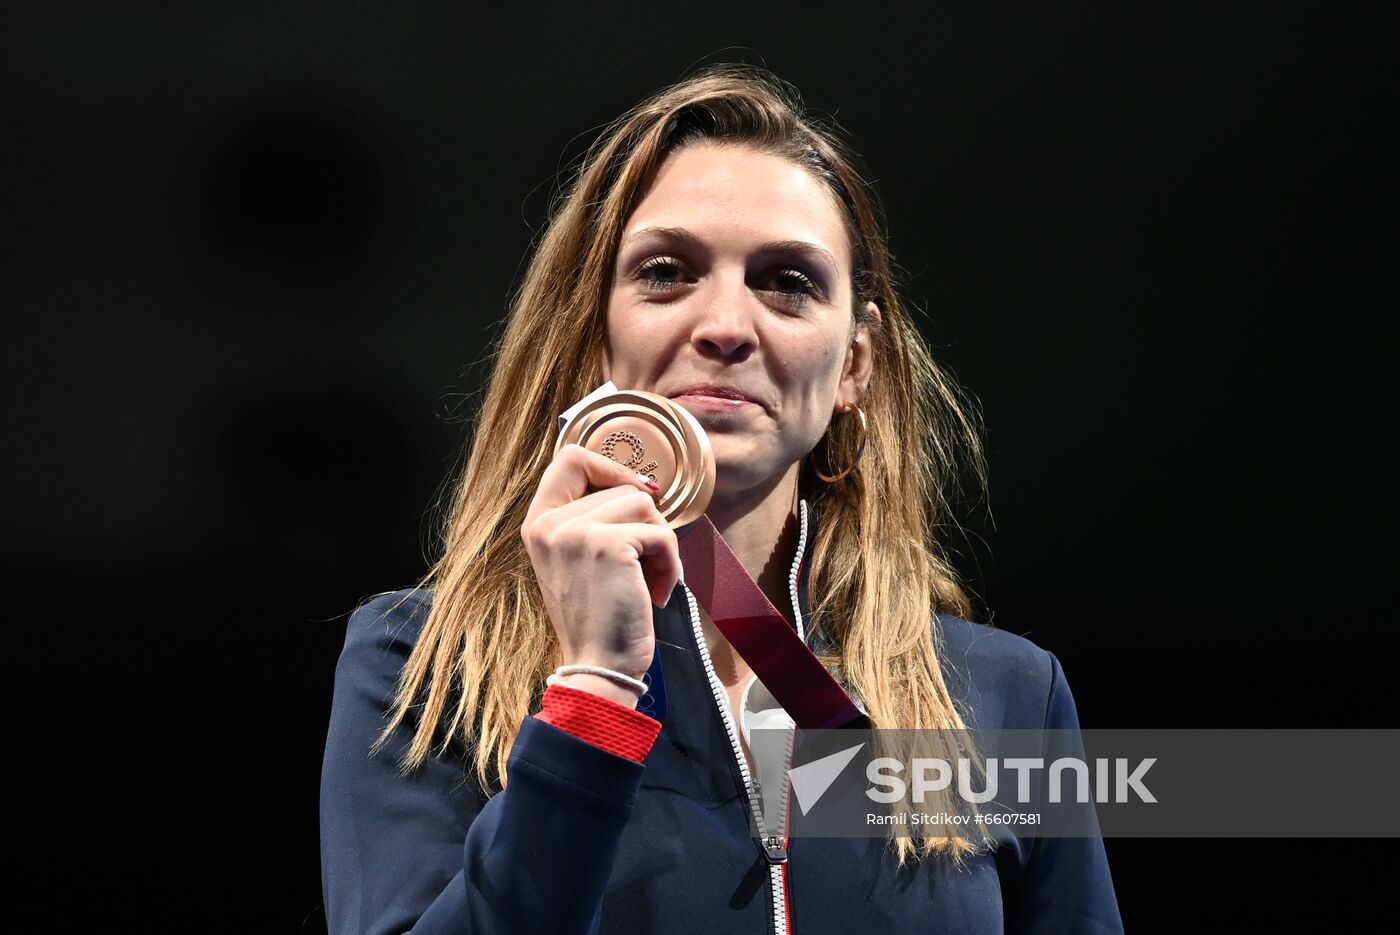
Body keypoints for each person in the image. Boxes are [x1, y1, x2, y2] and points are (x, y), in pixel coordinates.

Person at [320, 64, 1124, 934]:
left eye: (787, 282)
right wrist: (593, 691)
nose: (727, 326)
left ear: (855, 362)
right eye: (667, 272)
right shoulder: (426, 668)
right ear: (595, 333)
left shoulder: (1006, 698)